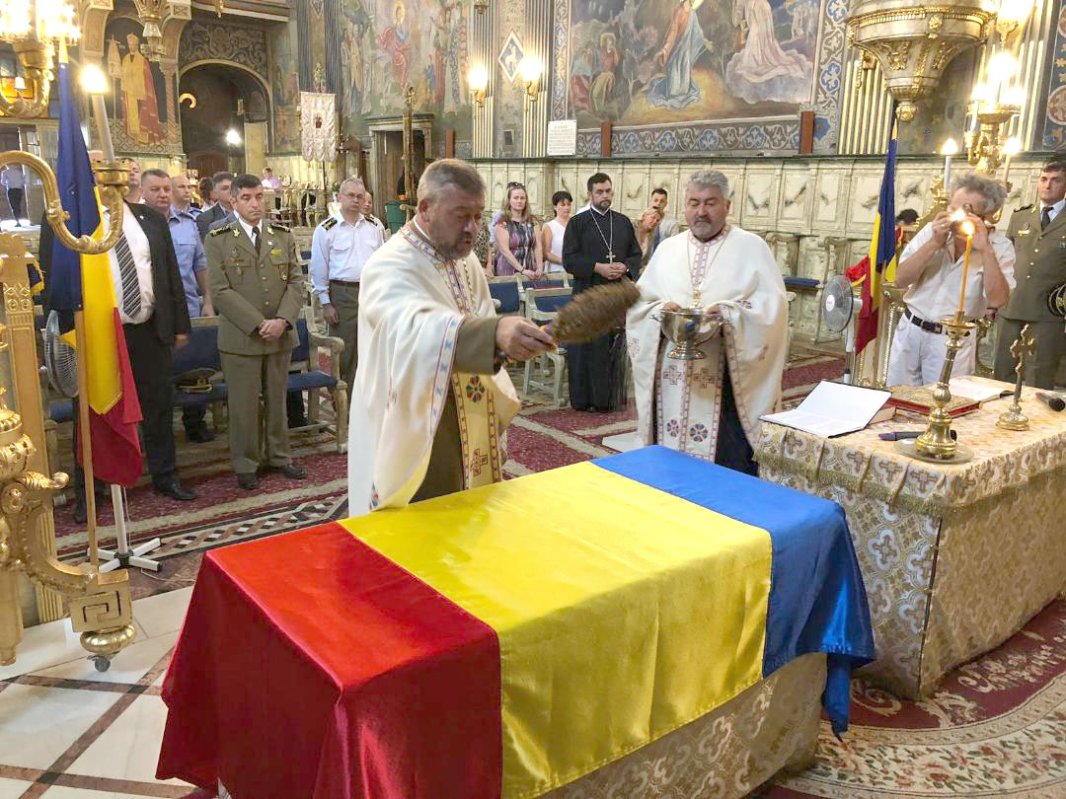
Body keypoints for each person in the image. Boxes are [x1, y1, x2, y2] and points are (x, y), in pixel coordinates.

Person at [348, 159, 554, 513]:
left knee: (468, 516)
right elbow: (408, 327)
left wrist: (507, 344)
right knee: (419, 523)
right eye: (461, 216)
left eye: (477, 216)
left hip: (471, 409)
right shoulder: (389, 264)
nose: (472, 228)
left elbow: (483, 316)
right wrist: (492, 334)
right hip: (417, 419)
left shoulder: (464, 260)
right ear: (425, 208)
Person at [40, 178, 199, 520]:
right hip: (98, 334)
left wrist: (180, 325)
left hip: (149, 329)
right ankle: (91, 490)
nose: (113, 177)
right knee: (93, 412)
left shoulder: (149, 218)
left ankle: (165, 476)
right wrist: (68, 332)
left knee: (158, 406)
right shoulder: (71, 221)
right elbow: (55, 277)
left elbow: (169, 273)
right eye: (98, 170)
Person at [628, 169, 788, 475]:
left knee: (725, 475)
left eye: (710, 203)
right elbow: (639, 303)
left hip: (728, 383)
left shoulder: (752, 248)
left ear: (727, 206)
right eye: (694, 203)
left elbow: (772, 309)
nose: (701, 211)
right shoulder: (668, 249)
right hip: (671, 383)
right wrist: (662, 311)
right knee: (669, 471)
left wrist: (728, 315)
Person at [206, 174, 307, 490]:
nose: (255, 204)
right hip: (242, 336)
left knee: (277, 399)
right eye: (247, 198)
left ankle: (279, 456)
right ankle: (246, 462)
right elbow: (220, 290)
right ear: (233, 201)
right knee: (244, 404)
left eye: (259, 197)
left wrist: (282, 320)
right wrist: (258, 323)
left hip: (280, 333)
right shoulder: (219, 238)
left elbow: (296, 282)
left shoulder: (282, 235)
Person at [886, 173, 1015, 386]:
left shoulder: (1000, 247)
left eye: (966, 212)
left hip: (952, 340)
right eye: (952, 209)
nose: (955, 218)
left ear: (987, 215)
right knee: (898, 397)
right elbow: (900, 279)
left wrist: (985, 250)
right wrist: (934, 244)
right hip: (911, 330)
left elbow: (998, 300)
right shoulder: (932, 232)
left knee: (943, 401)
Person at [142, 169, 216, 443]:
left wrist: (208, 299)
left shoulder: (188, 223)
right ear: (144, 192)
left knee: (192, 369)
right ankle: (157, 431)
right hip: (152, 313)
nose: (163, 195)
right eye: (156, 190)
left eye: (165, 189)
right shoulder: (136, 225)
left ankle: (195, 422)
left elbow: (200, 264)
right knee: (156, 375)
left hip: (188, 306)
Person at [562, 172, 642, 411]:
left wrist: (624, 267)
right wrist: (598, 267)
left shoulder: (623, 222)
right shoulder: (578, 223)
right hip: (588, 293)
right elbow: (569, 259)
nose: (604, 196)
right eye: (599, 192)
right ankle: (584, 400)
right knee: (587, 348)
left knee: (610, 347)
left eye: (608, 191)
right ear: (590, 194)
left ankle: (608, 399)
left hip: (616, 296)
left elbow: (635, 254)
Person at [993, 160, 1066, 388]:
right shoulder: (1020, 217)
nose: (1048, 185)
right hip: (1012, 306)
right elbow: (1005, 260)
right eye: (1044, 179)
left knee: (1039, 376)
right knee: (1002, 373)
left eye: (1056, 180)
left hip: (1048, 313)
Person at [309, 177, 384, 392]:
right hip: (342, 294)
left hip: (370, 293)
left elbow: (383, 262)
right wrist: (326, 303)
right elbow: (319, 269)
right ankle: (343, 400)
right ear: (339, 197)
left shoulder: (374, 226)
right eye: (351, 195)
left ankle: (365, 400)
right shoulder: (326, 229)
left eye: (360, 196)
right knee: (345, 351)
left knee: (370, 349)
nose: (356, 200)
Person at [493, 182, 543, 277]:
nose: (519, 201)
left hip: (530, 271)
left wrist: (540, 268)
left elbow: (538, 246)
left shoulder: (533, 221)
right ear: (509, 200)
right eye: (516, 198)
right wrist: (522, 270)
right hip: (508, 272)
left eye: (522, 198)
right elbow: (504, 250)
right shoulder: (502, 223)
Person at [197, 172, 235, 239]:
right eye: (225, 188)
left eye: (233, 188)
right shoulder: (205, 218)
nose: (230, 191)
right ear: (215, 191)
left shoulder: (248, 212)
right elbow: (209, 241)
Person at [542, 190, 572, 274]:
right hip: (556, 271)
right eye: (563, 205)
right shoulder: (549, 226)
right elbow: (545, 253)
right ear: (555, 207)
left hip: (575, 271)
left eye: (568, 204)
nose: (566, 208)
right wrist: (564, 262)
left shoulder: (576, 224)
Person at [647, 187, 680, 257]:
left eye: (662, 201)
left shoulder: (672, 223)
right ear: (651, 201)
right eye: (655, 200)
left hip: (664, 258)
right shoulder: (643, 220)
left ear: (666, 204)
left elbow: (674, 246)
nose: (658, 203)